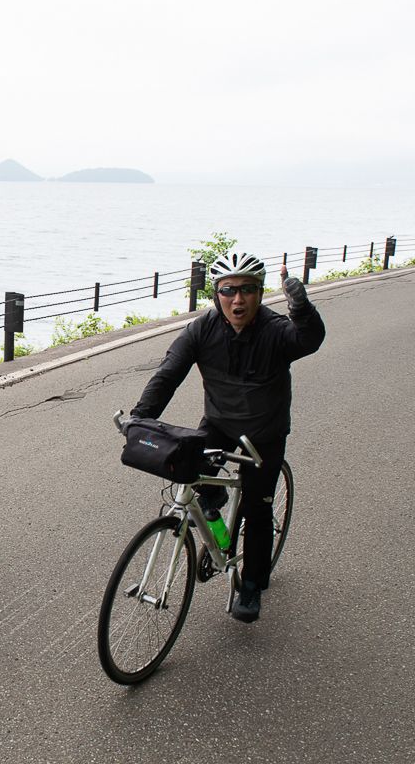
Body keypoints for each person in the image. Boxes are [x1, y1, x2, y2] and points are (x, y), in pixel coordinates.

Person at [130, 250, 325, 623]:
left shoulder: (276, 330)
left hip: (264, 433)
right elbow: (169, 373)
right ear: (216, 294)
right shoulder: (202, 329)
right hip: (219, 423)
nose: (238, 299)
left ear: (260, 292)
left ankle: (251, 584)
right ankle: (216, 503)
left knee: (256, 507)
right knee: (187, 470)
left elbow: (309, 340)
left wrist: (300, 306)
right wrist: (141, 417)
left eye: (248, 290)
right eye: (228, 290)